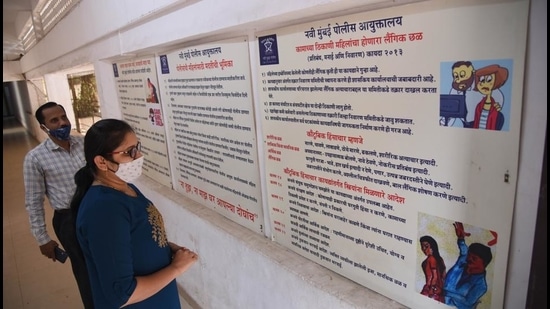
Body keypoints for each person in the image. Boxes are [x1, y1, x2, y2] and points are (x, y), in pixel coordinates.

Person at [70, 118, 198, 308]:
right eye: (129, 152)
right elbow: (121, 294)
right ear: (101, 162)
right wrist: (177, 267)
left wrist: (165, 247)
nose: (138, 155)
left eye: (137, 147)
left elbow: (134, 234)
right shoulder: (103, 210)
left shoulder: (125, 188)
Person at [23, 102, 94, 308]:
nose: (62, 123)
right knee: (85, 270)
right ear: (43, 127)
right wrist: (42, 238)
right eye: (54, 120)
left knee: (109, 260)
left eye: (63, 117)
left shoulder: (84, 143)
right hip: (69, 220)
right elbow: (33, 201)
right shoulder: (35, 158)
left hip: (98, 211)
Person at [444, 222, 493, 309]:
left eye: (474, 258)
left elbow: (466, 302)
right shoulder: (464, 261)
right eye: (469, 256)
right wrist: (461, 238)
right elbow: (464, 251)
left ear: (484, 263)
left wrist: (444, 292)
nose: (469, 259)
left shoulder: (481, 286)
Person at [419, 235, 446, 302]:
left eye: (426, 246)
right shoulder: (439, 259)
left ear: (432, 246)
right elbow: (444, 275)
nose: (424, 249)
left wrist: (431, 290)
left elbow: (435, 276)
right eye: (422, 246)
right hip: (437, 289)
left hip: (430, 288)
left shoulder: (431, 259)